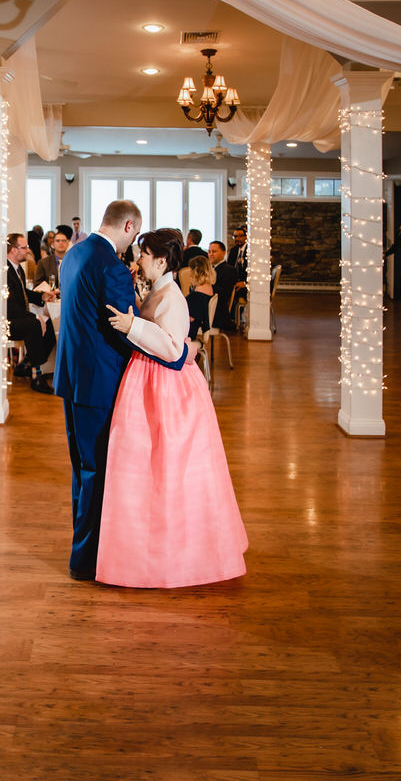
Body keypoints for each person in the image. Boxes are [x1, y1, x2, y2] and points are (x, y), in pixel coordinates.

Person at [100, 228, 247, 587]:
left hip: (165, 386)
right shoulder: (161, 290)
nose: (138, 260)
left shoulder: (173, 297)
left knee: (166, 463)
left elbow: (171, 349)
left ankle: (173, 553)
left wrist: (132, 324)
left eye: (144, 255)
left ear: (162, 260)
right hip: (147, 379)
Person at [53, 199, 144, 581]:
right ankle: (86, 560)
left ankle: (84, 546)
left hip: (72, 376)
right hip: (99, 382)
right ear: (127, 228)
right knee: (97, 470)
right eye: (135, 236)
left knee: (82, 468)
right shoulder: (111, 266)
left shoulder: (73, 254)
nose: (133, 244)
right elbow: (123, 328)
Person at [6, 233, 57, 390]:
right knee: (34, 324)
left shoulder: (17, 268)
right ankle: (37, 376)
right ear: (14, 250)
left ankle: (25, 364)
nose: (28, 250)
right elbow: (10, 306)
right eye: (24, 247)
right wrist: (36, 316)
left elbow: (24, 293)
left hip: (17, 317)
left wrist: (42, 296)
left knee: (50, 327)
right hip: (7, 321)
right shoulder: (5, 271)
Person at [208, 240, 238, 330]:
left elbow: (225, 293)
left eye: (214, 251)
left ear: (223, 253)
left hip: (218, 310)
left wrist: (206, 287)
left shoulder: (229, 270)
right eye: (209, 252)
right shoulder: (209, 269)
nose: (210, 254)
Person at [185, 255, 215, 339]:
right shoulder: (209, 288)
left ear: (196, 272)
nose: (190, 273)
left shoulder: (198, 294)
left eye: (191, 270)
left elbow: (191, 318)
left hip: (189, 332)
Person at [37, 225, 72, 289]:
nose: (61, 243)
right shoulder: (43, 263)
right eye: (58, 241)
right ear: (52, 244)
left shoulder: (74, 263)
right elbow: (37, 286)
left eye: (64, 241)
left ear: (68, 244)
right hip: (50, 297)